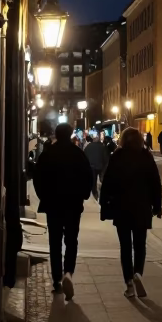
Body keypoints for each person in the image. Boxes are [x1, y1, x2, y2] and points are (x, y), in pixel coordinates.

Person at [33, 121, 93, 299]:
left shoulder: (48, 154)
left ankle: (57, 279)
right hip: (73, 204)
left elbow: (38, 177)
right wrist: (83, 195)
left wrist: (44, 196)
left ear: (56, 135)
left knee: (55, 241)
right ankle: (69, 272)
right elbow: (87, 176)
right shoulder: (78, 153)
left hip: (53, 204)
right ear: (71, 134)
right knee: (72, 240)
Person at [101, 126, 162, 298]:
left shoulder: (117, 156)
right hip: (142, 207)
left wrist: (105, 206)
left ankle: (129, 283)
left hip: (121, 207)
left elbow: (108, 183)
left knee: (125, 247)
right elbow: (155, 183)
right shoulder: (146, 156)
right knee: (140, 244)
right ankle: (138, 274)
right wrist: (157, 206)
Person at [84, 132, 107, 201]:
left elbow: (85, 157)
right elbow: (106, 157)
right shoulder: (103, 147)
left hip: (91, 167)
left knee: (93, 182)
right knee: (102, 181)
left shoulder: (88, 147)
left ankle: (95, 194)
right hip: (100, 166)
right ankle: (101, 194)